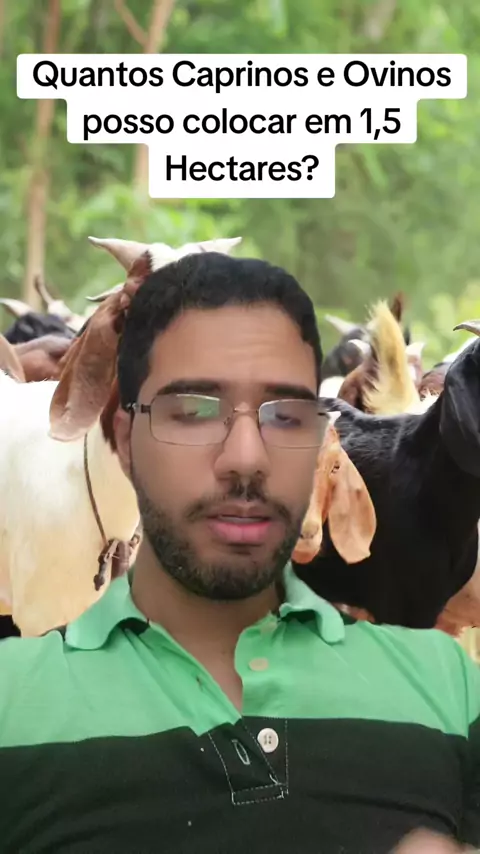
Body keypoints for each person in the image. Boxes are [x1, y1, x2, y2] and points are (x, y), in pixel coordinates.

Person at [0, 251, 479, 854]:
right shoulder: (15, 706)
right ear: (123, 438)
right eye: (193, 410)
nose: (246, 457)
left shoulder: (450, 691)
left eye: (285, 415)